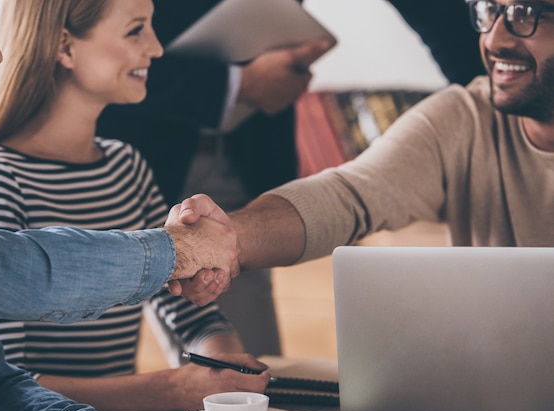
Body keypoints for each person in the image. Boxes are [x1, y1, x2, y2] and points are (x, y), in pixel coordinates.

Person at [0, 0, 269, 411]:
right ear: (65, 47)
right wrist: (171, 389)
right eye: (136, 30)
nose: (155, 49)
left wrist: (221, 364)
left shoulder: (127, 167)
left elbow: (188, 313)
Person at [168, 0, 554, 283]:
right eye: (489, 11)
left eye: (525, 15)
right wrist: (225, 236)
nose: (493, 39)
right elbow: (346, 196)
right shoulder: (464, 116)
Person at [96, 0, 333, 358]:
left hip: (244, 154)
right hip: (142, 147)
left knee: (250, 367)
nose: (152, 47)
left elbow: (196, 321)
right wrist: (236, 84)